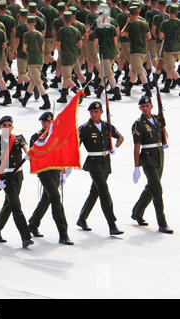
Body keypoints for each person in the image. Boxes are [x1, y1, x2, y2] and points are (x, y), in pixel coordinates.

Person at [77, 102, 125, 235]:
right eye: (91, 112)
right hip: (93, 162)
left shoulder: (106, 126)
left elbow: (121, 137)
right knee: (104, 191)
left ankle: (82, 219)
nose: (93, 114)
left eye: (96, 112)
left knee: (95, 191)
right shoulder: (84, 128)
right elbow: (76, 146)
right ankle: (112, 225)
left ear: (101, 112)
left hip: (105, 162)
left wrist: (115, 147)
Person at [27, 113, 73, 245]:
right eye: (43, 122)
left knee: (47, 198)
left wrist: (64, 171)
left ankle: (33, 223)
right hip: (44, 171)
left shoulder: (57, 134)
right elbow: (34, 153)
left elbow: (63, 151)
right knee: (55, 198)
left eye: (48, 122)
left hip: (56, 170)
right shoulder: (37, 136)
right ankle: (63, 233)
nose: (45, 124)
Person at [0, 116, 34, 248]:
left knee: (8, 205)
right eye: (4, 125)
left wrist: (28, 153)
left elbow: (26, 148)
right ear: (0, 127)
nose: (7, 127)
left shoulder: (18, 138)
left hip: (18, 176)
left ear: (12, 127)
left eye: (9, 125)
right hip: (6, 178)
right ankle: (25, 236)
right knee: (16, 207)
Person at [131, 96, 173, 234]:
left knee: (152, 187)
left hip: (159, 155)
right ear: (140, 108)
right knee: (157, 190)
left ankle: (137, 212)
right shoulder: (138, 124)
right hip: (147, 158)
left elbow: (163, 130)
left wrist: (165, 140)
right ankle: (162, 223)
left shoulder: (157, 118)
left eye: (147, 105)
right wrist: (136, 167)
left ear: (152, 106)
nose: (145, 108)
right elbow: (137, 147)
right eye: (142, 106)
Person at [20, 15, 51, 109]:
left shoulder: (27, 34)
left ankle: (47, 102)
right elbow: (42, 48)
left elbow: (24, 48)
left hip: (32, 60)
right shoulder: (40, 34)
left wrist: (29, 52)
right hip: (39, 59)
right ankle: (25, 100)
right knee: (32, 82)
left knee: (38, 82)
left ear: (27, 23)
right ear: (35, 23)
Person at [121, 6, 152, 97]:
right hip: (143, 50)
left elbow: (122, 34)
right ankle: (128, 89)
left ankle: (148, 90)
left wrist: (127, 23)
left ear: (130, 14)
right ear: (138, 13)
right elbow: (149, 36)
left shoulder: (130, 24)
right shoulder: (144, 24)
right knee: (134, 70)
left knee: (139, 71)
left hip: (135, 50)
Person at [93, 13, 122, 100]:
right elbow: (116, 42)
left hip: (104, 53)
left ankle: (116, 92)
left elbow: (95, 44)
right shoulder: (112, 27)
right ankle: (100, 90)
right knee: (105, 71)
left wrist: (98, 50)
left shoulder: (98, 29)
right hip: (112, 52)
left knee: (109, 74)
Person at [55, 10, 82, 103]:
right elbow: (80, 44)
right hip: (74, 55)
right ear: (71, 19)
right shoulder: (76, 30)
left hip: (65, 56)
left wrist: (60, 51)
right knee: (68, 76)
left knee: (67, 78)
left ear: (63, 20)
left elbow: (58, 44)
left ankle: (78, 92)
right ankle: (63, 96)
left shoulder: (61, 30)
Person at [158, 3, 180, 93]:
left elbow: (161, 36)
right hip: (178, 47)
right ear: (177, 12)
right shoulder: (179, 22)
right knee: (171, 66)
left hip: (169, 48)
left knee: (170, 68)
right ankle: (167, 86)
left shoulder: (165, 22)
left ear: (169, 11)